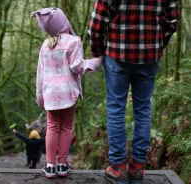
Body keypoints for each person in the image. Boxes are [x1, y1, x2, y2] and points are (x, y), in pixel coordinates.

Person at [88, 0, 179, 183]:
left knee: (115, 109)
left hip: (116, 54)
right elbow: (171, 22)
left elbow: (97, 24)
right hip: (149, 55)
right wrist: (157, 45)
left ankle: (117, 168)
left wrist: (98, 51)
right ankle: (137, 166)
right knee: (143, 109)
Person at [30, 8, 103, 178]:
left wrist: (40, 96)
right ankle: (62, 165)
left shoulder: (45, 45)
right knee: (66, 128)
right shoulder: (73, 41)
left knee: (52, 128)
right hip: (68, 94)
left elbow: (40, 74)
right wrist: (98, 62)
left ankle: (50, 166)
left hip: (50, 94)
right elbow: (78, 67)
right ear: (63, 22)